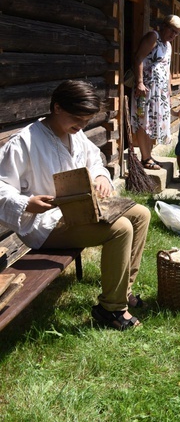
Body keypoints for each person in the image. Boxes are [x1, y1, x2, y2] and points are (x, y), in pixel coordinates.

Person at [0, 80, 151, 330]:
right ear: (57, 107)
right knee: (121, 228)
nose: (81, 126)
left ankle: (123, 291)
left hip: (76, 212)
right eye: (76, 119)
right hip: (44, 225)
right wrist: (26, 203)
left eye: (85, 121)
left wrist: (101, 176)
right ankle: (111, 310)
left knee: (141, 214)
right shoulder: (24, 142)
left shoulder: (76, 134)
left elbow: (94, 160)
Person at [131, 14, 180, 170]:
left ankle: (149, 155)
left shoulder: (168, 46)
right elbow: (138, 58)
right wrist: (140, 82)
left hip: (159, 92)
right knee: (144, 121)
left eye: (176, 33)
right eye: (172, 31)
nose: (173, 35)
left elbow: (166, 69)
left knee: (153, 123)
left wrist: (168, 91)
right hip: (146, 89)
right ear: (164, 26)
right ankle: (145, 158)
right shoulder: (153, 37)